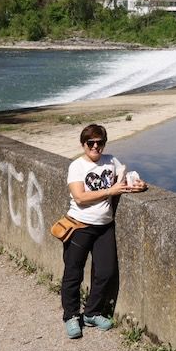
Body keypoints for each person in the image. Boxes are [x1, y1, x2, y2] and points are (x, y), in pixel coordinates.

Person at [61, 123, 147, 339]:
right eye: (91, 143)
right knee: (73, 273)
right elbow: (80, 197)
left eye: (100, 143)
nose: (95, 146)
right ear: (83, 144)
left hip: (104, 226)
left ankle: (91, 312)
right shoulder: (77, 167)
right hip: (80, 225)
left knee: (106, 272)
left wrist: (138, 185)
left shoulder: (112, 161)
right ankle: (71, 316)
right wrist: (111, 190)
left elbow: (123, 182)